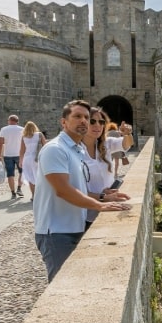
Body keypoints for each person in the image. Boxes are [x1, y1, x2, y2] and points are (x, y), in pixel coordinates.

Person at [33, 100, 130, 282]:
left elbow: (80, 190)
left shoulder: (76, 150)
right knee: (62, 287)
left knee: (77, 282)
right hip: (56, 232)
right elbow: (64, 190)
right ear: (64, 122)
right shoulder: (55, 149)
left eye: (86, 117)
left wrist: (103, 196)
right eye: (77, 116)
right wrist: (99, 206)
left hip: (74, 227)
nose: (84, 121)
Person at [83, 107, 131, 229]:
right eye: (92, 121)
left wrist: (127, 134)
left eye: (101, 122)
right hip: (86, 213)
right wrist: (102, 196)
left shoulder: (106, 143)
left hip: (109, 205)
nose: (97, 125)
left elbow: (126, 144)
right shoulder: (74, 150)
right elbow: (72, 190)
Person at [0, 114, 24, 199]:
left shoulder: (4, 129)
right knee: (22, 172)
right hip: (19, 154)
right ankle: (19, 188)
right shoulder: (22, 129)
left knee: (10, 174)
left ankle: (13, 193)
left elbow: (0, 143)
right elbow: (25, 143)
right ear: (17, 121)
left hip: (8, 154)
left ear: (9, 121)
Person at [18, 121, 46, 201]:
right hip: (37, 158)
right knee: (39, 177)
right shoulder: (39, 135)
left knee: (30, 178)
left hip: (27, 159)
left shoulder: (24, 137)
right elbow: (45, 146)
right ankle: (40, 195)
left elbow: (22, 150)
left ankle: (33, 196)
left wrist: (20, 161)